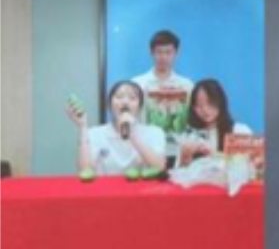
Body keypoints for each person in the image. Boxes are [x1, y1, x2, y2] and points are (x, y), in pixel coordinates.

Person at [65, 80, 166, 175]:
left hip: (142, 188)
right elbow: (85, 171)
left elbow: (160, 167)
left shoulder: (154, 132)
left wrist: (132, 133)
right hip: (105, 188)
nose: (125, 102)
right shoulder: (94, 133)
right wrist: (83, 126)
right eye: (119, 96)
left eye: (132, 98)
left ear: (140, 107)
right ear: (109, 105)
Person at [132, 29, 194, 168]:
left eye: (168, 52)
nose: (163, 57)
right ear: (151, 53)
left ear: (176, 53)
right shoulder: (137, 84)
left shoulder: (187, 85)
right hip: (146, 149)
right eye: (159, 52)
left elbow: (192, 119)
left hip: (177, 151)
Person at [178, 78, 252, 167]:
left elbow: (249, 166)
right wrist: (186, 156)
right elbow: (179, 171)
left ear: (220, 102)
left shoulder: (239, 131)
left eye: (210, 103)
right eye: (199, 105)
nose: (205, 110)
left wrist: (214, 155)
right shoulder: (189, 134)